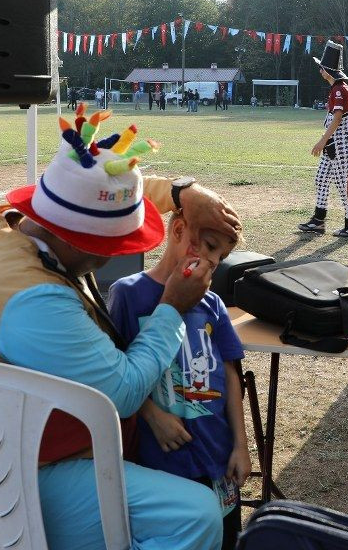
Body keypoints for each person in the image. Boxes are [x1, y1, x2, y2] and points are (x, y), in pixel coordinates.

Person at [0, 106, 242, 550]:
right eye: (107, 248)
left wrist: (181, 192)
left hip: (10, 444)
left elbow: (95, 178)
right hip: (8, 479)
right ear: (77, 240)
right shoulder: (36, 301)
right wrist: (172, 307)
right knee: (195, 517)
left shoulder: (8, 225)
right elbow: (126, 390)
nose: (110, 259)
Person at [107, 211, 250, 550]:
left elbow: (231, 376)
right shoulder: (127, 294)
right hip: (159, 456)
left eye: (221, 257)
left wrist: (241, 446)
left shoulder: (213, 303)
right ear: (179, 229)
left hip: (215, 454)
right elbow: (115, 370)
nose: (213, 261)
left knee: (222, 537)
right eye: (210, 246)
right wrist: (153, 416)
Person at [298, 41, 348, 238]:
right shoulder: (336, 90)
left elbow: (338, 117)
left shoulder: (340, 90)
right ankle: (318, 220)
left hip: (340, 145)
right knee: (321, 179)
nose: (320, 72)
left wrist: (322, 141)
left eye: (321, 68)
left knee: (343, 184)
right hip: (332, 145)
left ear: (326, 70)